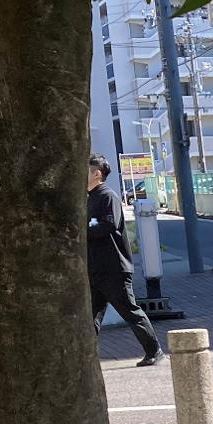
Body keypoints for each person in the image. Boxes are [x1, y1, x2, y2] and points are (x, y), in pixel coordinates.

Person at [87, 154, 161, 366]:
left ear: (97, 174)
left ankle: (154, 350)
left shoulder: (107, 196)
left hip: (114, 268)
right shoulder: (89, 197)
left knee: (129, 310)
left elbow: (108, 225)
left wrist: (83, 230)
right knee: (90, 317)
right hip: (96, 268)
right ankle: (86, 359)